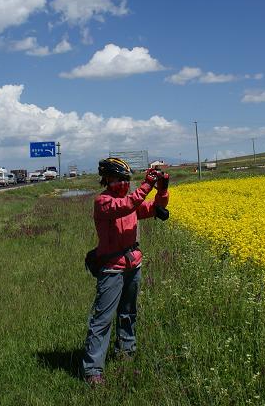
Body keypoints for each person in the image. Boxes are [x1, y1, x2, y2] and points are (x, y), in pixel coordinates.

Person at [82, 157, 170, 386]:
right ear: (108, 179)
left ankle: (126, 353)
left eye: (127, 179)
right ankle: (93, 370)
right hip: (112, 269)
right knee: (102, 320)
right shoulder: (103, 202)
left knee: (128, 313)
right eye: (121, 179)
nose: (125, 183)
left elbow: (153, 207)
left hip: (133, 264)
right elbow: (128, 205)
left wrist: (162, 189)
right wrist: (147, 185)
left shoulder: (127, 199)